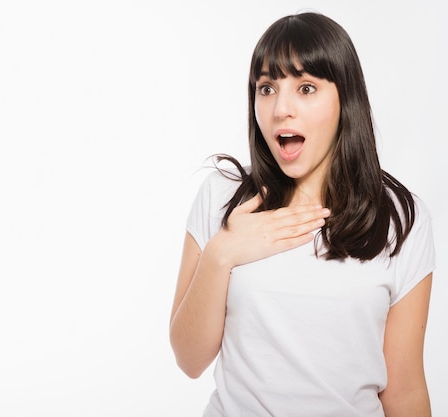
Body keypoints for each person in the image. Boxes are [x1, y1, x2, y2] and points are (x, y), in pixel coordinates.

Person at [169, 12, 435, 417]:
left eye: (306, 87)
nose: (281, 109)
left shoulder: (399, 217)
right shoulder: (222, 197)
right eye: (267, 88)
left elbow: (404, 389)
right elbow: (189, 360)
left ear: (346, 98)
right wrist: (222, 253)